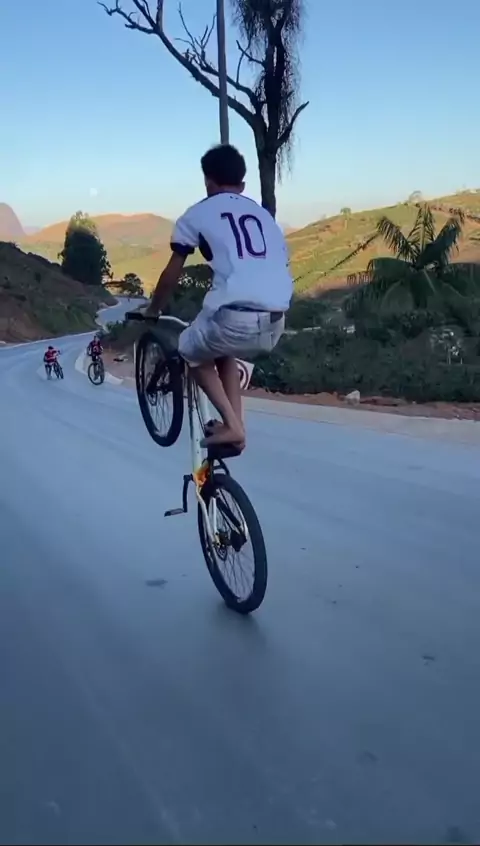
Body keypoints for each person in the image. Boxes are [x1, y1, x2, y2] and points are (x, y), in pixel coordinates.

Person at [144, 143, 293, 450]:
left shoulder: (197, 214)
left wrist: (153, 310)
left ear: (208, 182)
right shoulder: (266, 218)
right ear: (242, 185)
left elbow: (171, 274)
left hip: (234, 318)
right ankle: (234, 426)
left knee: (190, 350)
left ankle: (234, 428)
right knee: (222, 349)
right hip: (276, 320)